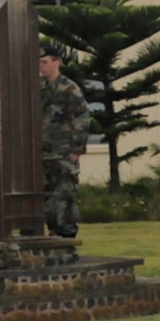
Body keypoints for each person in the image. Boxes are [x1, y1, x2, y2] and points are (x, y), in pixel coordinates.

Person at [39, 43, 90, 239]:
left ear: (56, 63)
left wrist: (76, 149)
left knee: (65, 193)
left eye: (44, 62)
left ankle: (67, 233)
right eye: (39, 63)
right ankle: (53, 230)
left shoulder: (69, 89)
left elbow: (82, 119)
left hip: (63, 151)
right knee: (48, 194)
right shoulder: (40, 88)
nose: (41, 67)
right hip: (44, 151)